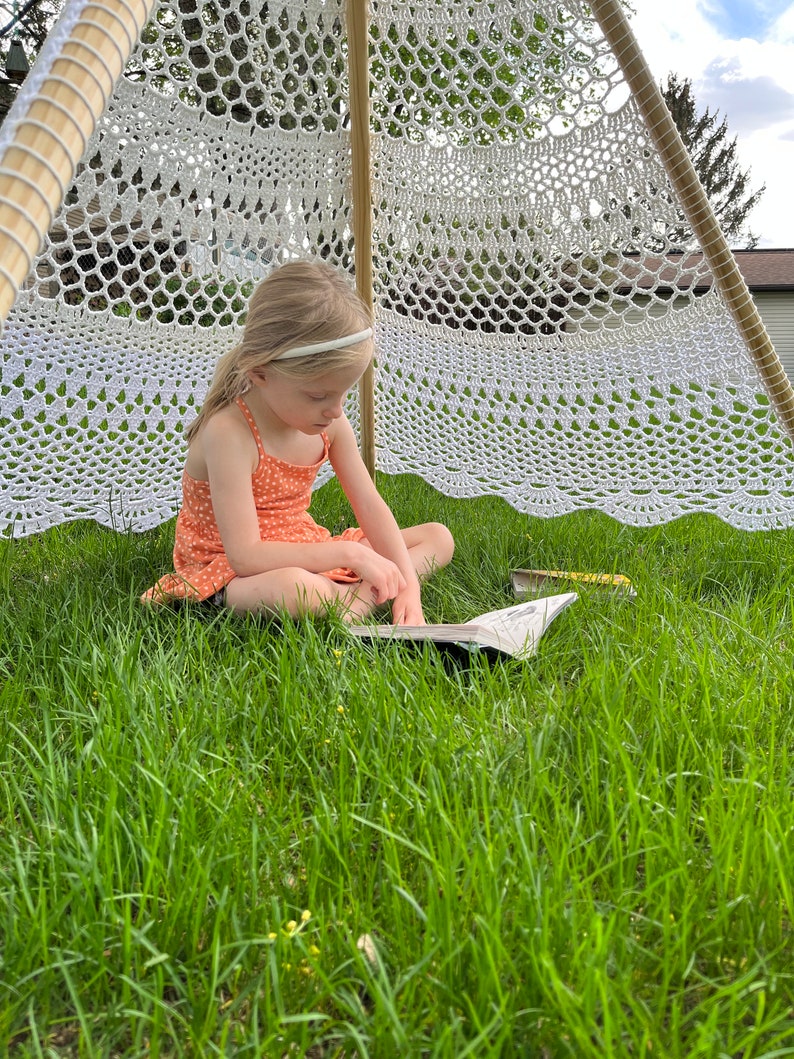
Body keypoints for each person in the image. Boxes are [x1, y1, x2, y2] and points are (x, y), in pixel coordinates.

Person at [142, 260, 454, 623]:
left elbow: (370, 506)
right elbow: (245, 555)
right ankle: (355, 599)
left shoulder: (330, 425)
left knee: (437, 537)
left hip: (304, 546)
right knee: (294, 588)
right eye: (317, 396)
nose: (336, 411)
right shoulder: (229, 432)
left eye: (342, 394)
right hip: (229, 568)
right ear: (261, 373)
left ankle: (352, 599)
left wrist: (409, 586)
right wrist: (351, 556)